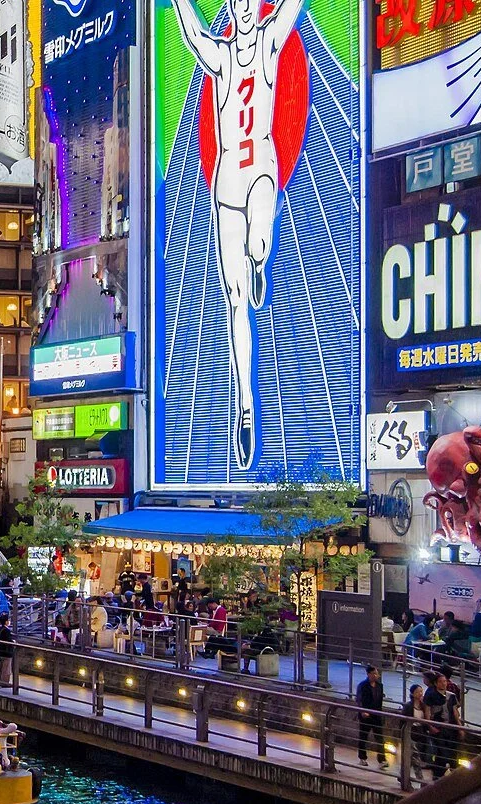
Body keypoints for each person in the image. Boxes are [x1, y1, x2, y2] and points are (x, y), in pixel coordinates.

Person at [169, 0, 303, 467]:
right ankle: (245, 407)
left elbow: (291, 9)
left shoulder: (269, 43)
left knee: (259, 239)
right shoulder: (222, 57)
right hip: (225, 184)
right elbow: (192, 35)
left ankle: (261, 257)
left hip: (262, 172)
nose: (245, 9)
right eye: (237, 2)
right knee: (234, 299)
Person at [355, 665, 388, 769]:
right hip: (366, 715)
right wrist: (362, 711)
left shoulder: (380, 685)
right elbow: (359, 699)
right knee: (363, 737)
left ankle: (382, 759)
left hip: (377, 715)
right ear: (369, 674)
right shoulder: (363, 685)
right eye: (374, 673)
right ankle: (362, 758)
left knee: (379, 738)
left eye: (376, 673)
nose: (376, 675)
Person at [401, 684, 430, 782]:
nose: (420, 694)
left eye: (421, 691)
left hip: (420, 733)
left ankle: (403, 775)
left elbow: (426, 719)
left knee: (411, 757)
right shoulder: (409, 706)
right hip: (410, 732)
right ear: (412, 694)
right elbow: (403, 721)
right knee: (415, 756)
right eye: (417, 692)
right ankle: (420, 778)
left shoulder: (423, 706)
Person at [0, 614, 14, 687]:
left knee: (0, 667)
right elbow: (8, 640)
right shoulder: (6, 630)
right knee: (6, 668)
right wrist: (13, 642)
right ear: (6, 622)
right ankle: (5, 682)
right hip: (6, 652)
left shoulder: (0, 628)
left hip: (0, 651)